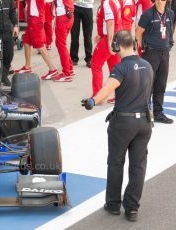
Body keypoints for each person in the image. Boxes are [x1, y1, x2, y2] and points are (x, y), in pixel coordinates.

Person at [81, 30, 153, 222]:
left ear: (116, 46)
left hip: (123, 123)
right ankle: (132, 209)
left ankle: (113, 204)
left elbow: (107, 88)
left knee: (115, 163)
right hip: (144, 123)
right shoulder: (147, 66)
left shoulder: (120, 68)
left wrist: (92, 101)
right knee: (138, 166)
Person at [136, 0, 175, 123]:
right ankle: (146, 114)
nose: (160, 1)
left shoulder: (170, 13)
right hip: (151, 53)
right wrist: (143, 47)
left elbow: (171, 28)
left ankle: (158, 113)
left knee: (161, 83)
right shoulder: (147, 14)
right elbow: (138, 32)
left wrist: (169, 42)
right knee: (148, 84)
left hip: (164, 53)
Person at [15, 0, 58, 80]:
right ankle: (27, 67)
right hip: (32, 18)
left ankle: (53, 69)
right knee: (26, 41)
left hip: (37, 19)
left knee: (40, 45)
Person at [91, 0, 122, 99]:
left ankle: (98, 96)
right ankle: (120, 95)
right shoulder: (114, 1)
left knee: (95, 65)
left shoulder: (107, 2)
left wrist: (109, 42)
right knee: (115, 69)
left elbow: (111, 22)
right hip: (117, 35)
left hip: (110, 37)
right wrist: (101, 33)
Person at [51, 0, 75, 82]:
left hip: (63, 16)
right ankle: (69, 68)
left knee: (61, 45)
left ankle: (66, 73)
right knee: (61, 44)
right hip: (69, 14)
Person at [70, 0, 94, 68]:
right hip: (75, 7)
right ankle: (73, 58)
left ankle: (89, 58)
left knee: (88, 36)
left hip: (88, 7)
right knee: (74, 35)